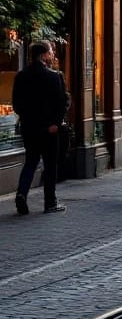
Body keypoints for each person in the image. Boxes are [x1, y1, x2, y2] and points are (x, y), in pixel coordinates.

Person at [12, 39, 68, 215]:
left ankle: (21, 193)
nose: (52, 55)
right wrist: (56, 123)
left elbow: (16, 104)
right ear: (44, 55)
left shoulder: (21, 76)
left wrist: (27, 119)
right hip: (49, 129)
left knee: (30, 161)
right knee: (50, 164)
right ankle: (50, 202)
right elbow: (62, 104)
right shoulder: (54, 76)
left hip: (29, 128)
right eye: (51, 52)